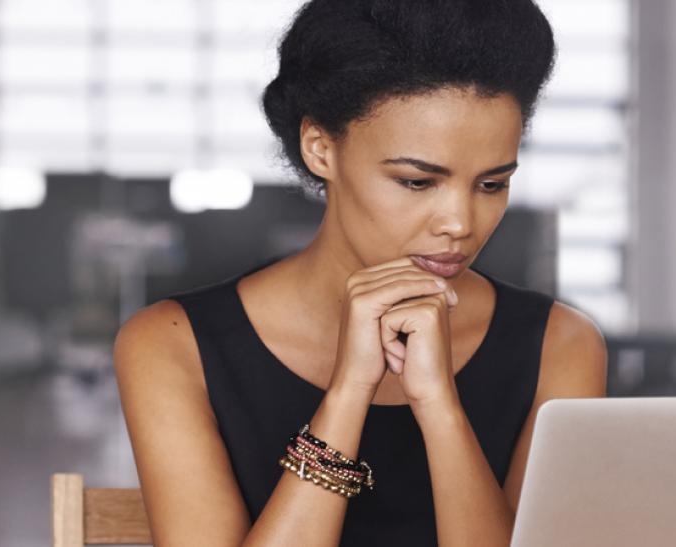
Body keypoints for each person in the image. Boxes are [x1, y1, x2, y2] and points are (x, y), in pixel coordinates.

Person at [110, 1, 608, 545]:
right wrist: (348, 394)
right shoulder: (172, 345)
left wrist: (439, 407)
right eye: (417, 182)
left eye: (491, 185)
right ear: (321, 148)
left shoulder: (561, 345)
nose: (460, 224)